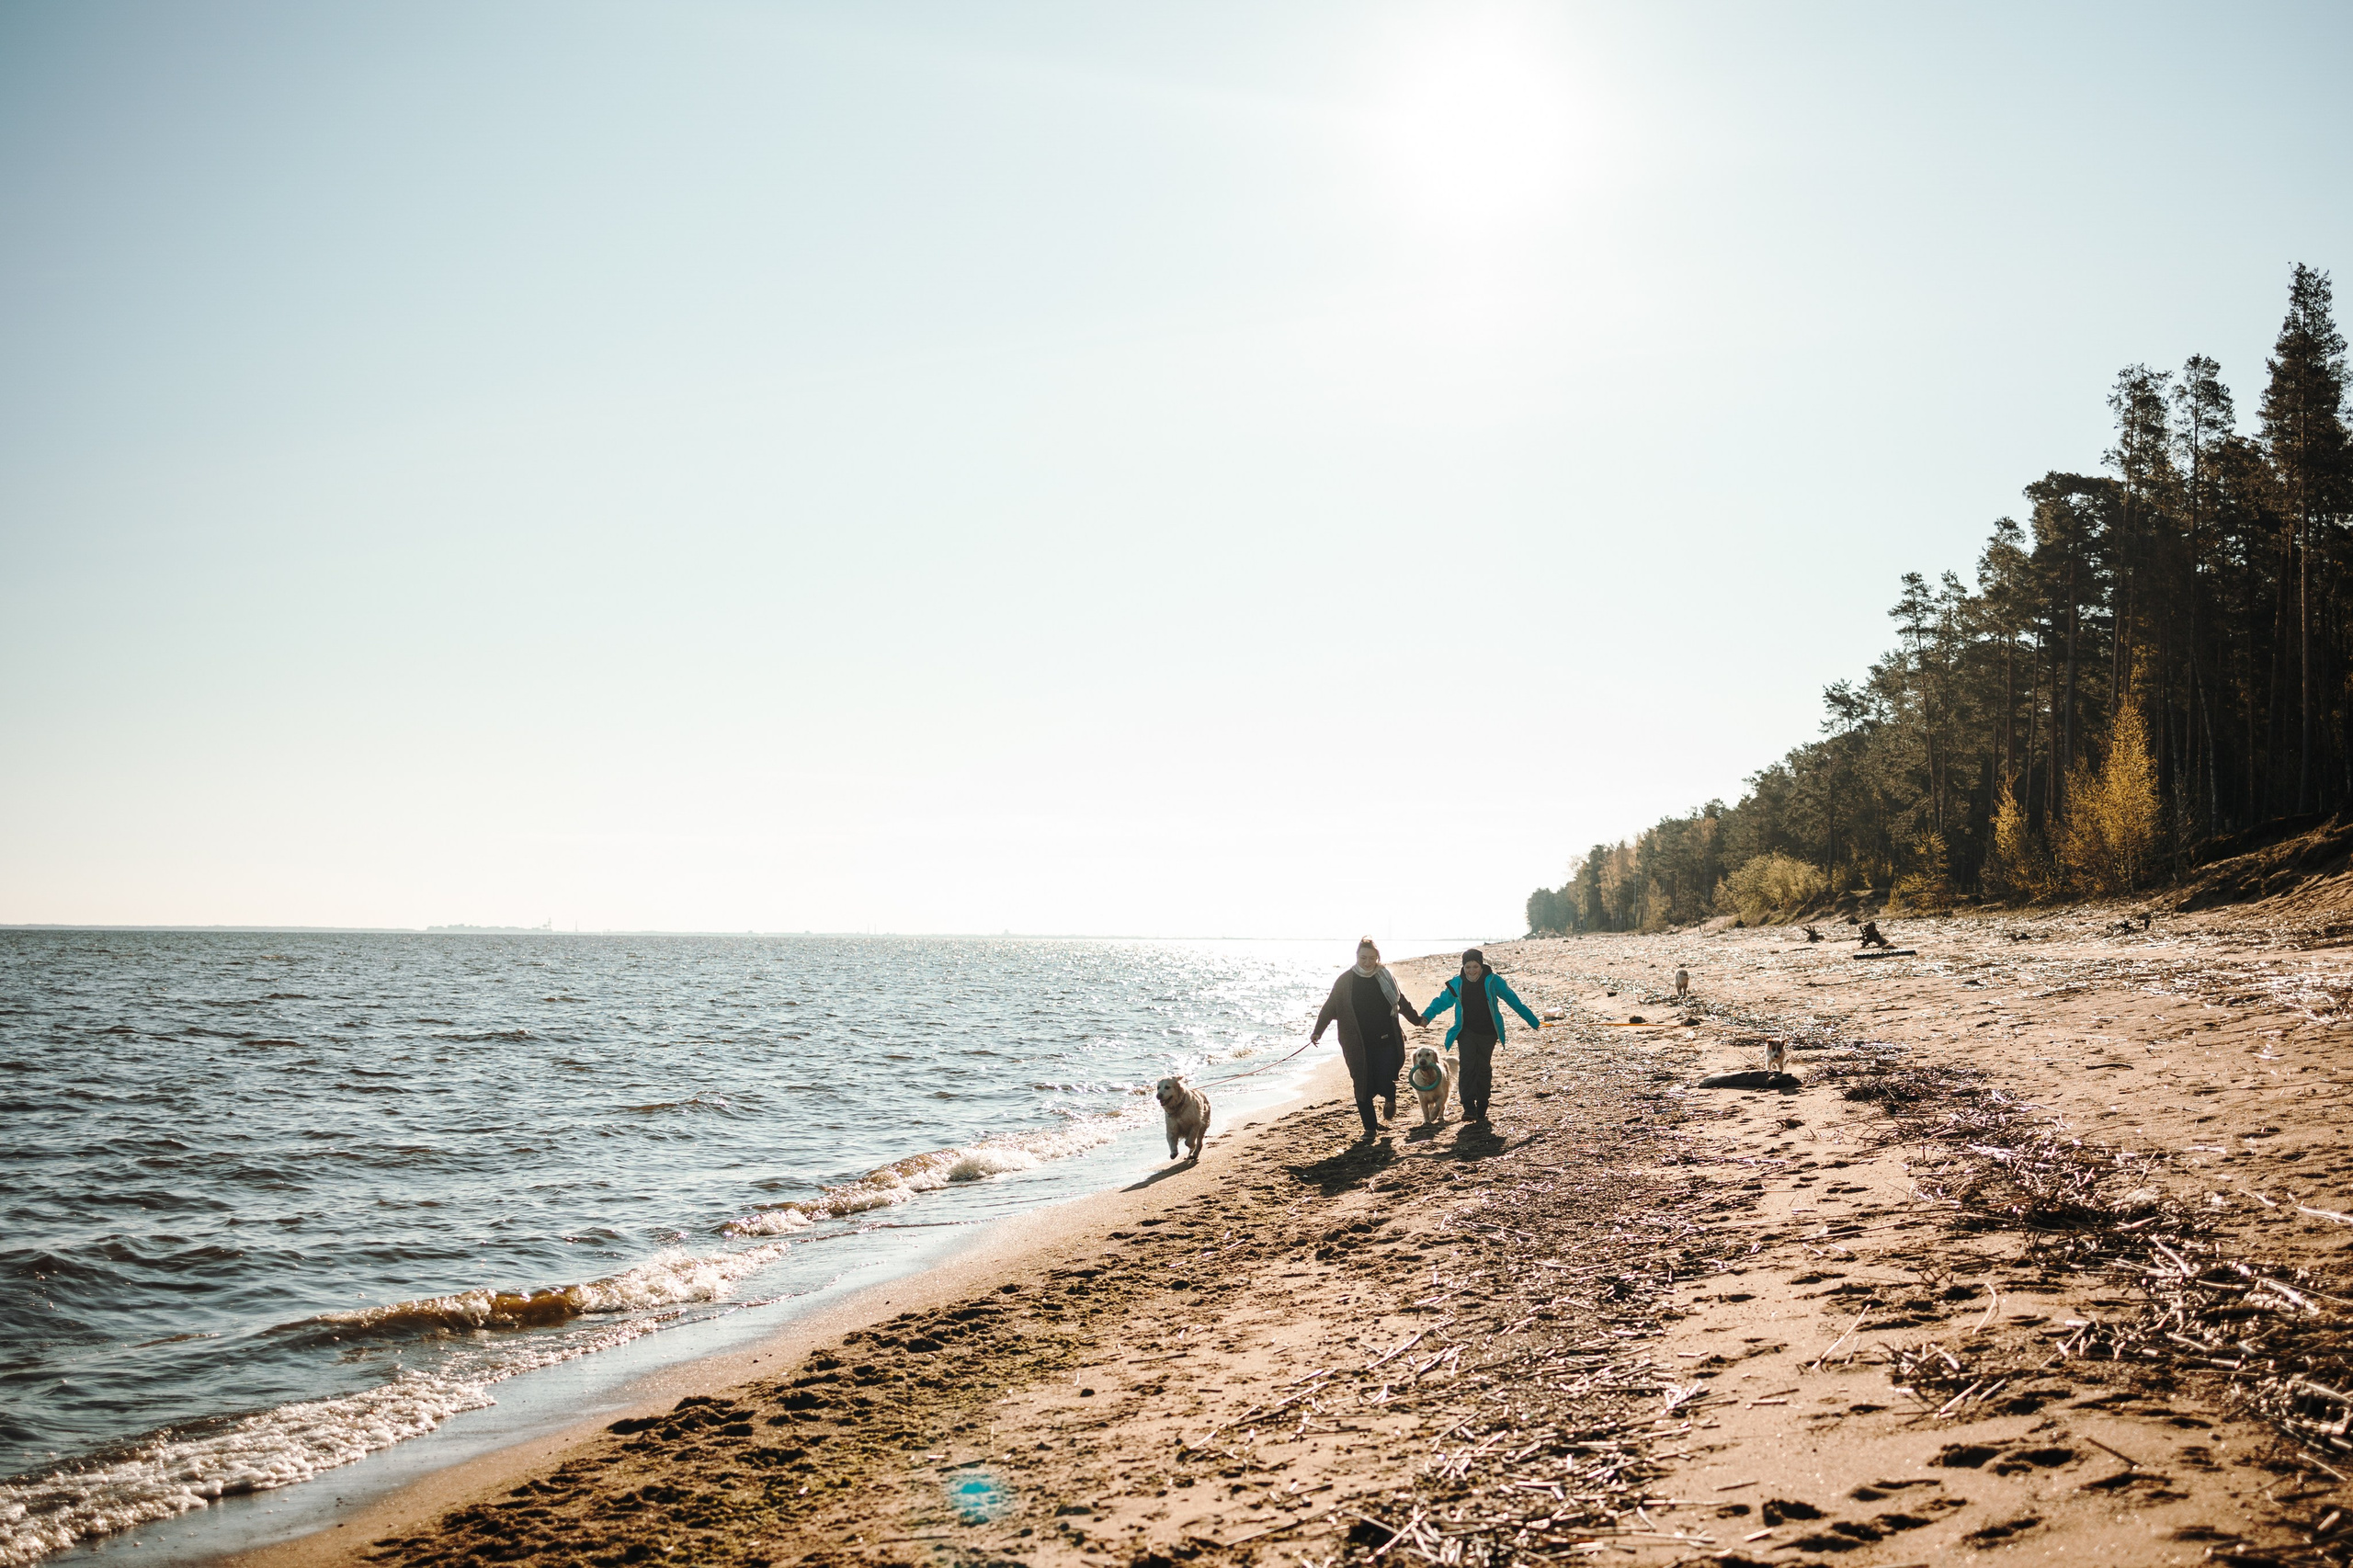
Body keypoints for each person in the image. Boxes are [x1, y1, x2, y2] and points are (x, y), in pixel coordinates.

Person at [1311, 937, 1427, 1142]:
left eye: (1372, 958)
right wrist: (1318, 1031)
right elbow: (1330, 1007)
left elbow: (1400, 1001)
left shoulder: (1385, 977)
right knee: (1362, 1084)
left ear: (1377, 958)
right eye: (1363, 957)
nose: (1367, 962)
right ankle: (1370, 1129)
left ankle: (1390, 1099)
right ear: (1356, 956)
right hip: (1357, 1043)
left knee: (1384, 1078)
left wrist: (1416, 1020)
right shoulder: (1345, 981)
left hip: (1386, 1040)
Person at [1420, 949, 1541, 1123]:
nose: (1471, 970)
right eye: (1467, 967)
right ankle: (1468, 1106)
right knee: (1468, 1066)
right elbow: (1441, 1001)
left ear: (1481, 965)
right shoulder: (1456, 983)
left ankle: (1483, 1103)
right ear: (1463, 967)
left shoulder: (1493, 981)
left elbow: (1512, 999)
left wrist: (1533, 1021)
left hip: (1488, 1032)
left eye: (1475, 966)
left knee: (1483, 1067)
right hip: (1466, 1031)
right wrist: (1426, 1017)